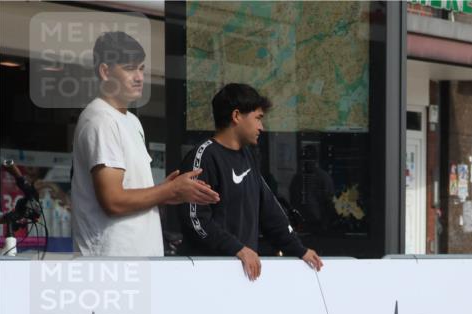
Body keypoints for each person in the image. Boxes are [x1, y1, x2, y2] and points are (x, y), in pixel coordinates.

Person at [71, 31, 218, 256]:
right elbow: (113, 201)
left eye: (141, 68)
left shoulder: (132, 121)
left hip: (138, 262)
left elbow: (131, 195)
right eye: (130, 68)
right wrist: (167, 189)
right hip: (111, 266)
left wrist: (170, 193)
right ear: (105, 71)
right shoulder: (101, 119)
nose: (139, 77)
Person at [177, 84, 323, 280]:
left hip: (244, 275)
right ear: (237, 116)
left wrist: (299, 249)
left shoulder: (248, 157)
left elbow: (270, 211)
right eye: (258, 118)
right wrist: (237, 248)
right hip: (208, 276)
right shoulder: (203, 157)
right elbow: (196, 220)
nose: (261, 127)